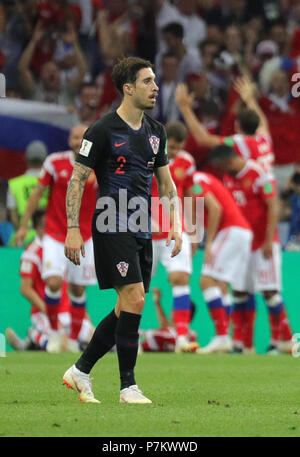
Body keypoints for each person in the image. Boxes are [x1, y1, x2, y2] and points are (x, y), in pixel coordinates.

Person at [63, 56, 182, 404]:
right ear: (127, 88)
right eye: (147, 81)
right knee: (135, 298)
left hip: (142, 228)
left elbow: (167, 185)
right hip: (110, 221)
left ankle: (80, 371)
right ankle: (128, 386)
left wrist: (175, 225)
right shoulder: (101, 130)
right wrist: (73, 228)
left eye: (155, 81)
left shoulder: (157, 132)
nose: (155, 87)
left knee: (125, 308)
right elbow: (77, 179)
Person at [15, 125, 97, 353]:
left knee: (78, 290)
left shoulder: (98, 165)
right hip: (55, 233)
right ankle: (52, 334)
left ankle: (71, 341)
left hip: (85, 236)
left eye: (82, 136)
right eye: (74, 136)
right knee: (53, 282)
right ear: (69, 140)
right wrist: (23, 226)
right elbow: (37, 193)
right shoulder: (54, 162)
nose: (77, 140)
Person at [208, 144, 293, 354]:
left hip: (264, 243)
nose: (221, 172)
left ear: (229, 161)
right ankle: (243, 344)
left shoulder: (258, 172)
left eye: (221, 167)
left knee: (270, 291)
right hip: (242, 244)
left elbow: (274, 205)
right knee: (240, 292)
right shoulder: (229, 177)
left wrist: (268, 240)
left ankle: (281, 341)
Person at [6, 209, 94, 353]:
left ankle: (29, 342)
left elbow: (71, 286)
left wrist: (83, 313)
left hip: (67, 311)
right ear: (40, 228)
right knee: (58, 347)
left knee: (94, 338)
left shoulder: (62, 248)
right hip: (43, 313)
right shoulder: (32, 252)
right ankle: (33, 336)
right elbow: (25, 289)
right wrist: (47, 311)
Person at [186, 170, 252, 354]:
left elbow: (215, 208)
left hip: (230, 230)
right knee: (221, 284)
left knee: (206, 281)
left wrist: (209, 243)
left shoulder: (195, 180)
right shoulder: (199, 181)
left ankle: (222, 337)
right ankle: (226, 337)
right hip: (240, 232)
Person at [151, 120, 197, 353]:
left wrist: (194, 230)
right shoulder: (148, 156)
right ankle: (128, 338)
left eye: (180, 147)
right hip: (146, 231)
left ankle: (180, 338)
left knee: (180, 279)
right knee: (135, 287)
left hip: (174, 229)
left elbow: (189, 194)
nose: (176, 152)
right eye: (173, 146)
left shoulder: (187, 162)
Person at [175, 75, 275, 172]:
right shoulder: (264, 138)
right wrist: (250, 99)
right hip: (266, 183)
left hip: (251, 187)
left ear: (237, 125)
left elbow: (204, 140)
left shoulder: (240, 142)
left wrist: (184, 108)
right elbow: (262, 122)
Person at [7, 140, 48, 246]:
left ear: (25, 158)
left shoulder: (14, 184)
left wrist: (20, 229)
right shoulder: (52, 182)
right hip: (49, 235)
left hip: (24, 236)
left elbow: (13, 215)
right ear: (45, 159)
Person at [139, 287, 198, 352]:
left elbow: (166, 329)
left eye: (175, 308)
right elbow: (167, 327)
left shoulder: (161, 335)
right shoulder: (192, 335)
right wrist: (157, 303)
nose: (171, 310)